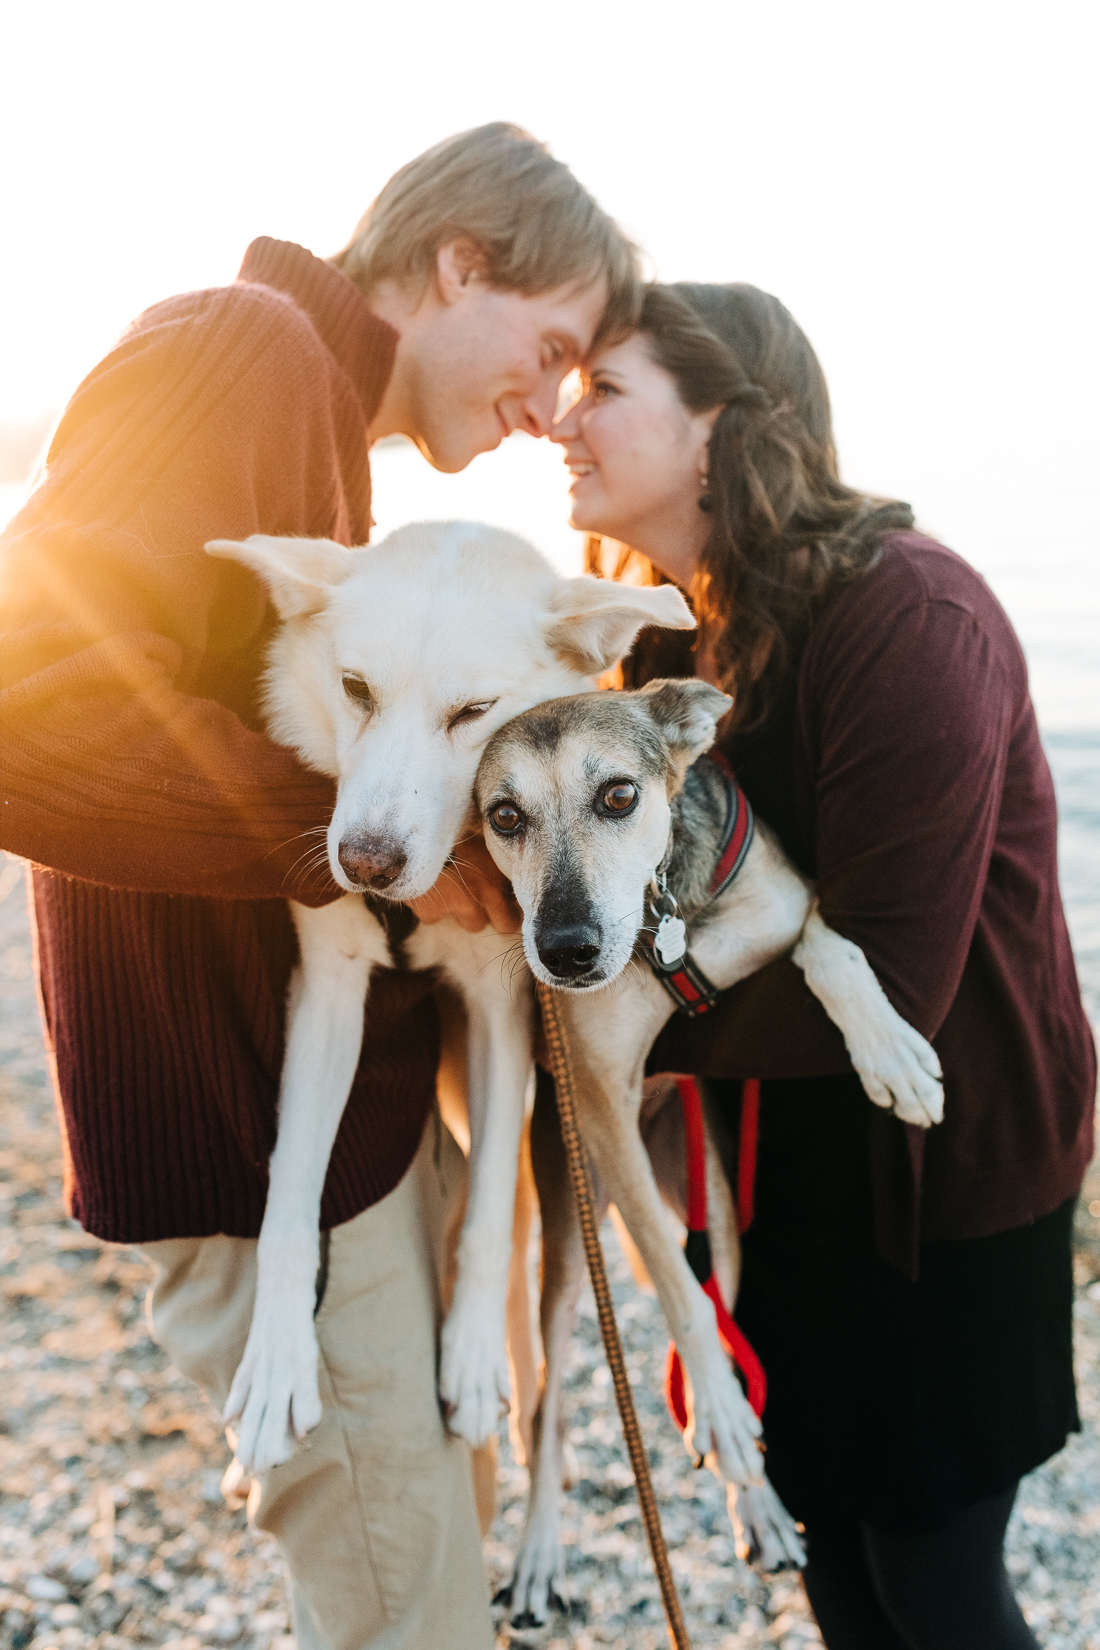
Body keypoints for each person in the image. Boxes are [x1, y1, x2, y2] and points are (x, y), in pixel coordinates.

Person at [0, 123, 639, 1650]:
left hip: (345, 1131)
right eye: (550, 347)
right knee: (405, 1609)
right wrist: (385, 848)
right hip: (249, 1133)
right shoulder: (237, 350)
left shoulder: (320, 439)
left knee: (432, 1556)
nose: (550, 408)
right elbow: (30, 705)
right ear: (453, 262)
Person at [549, 282, 1096, 1648]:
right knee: (832, 1563)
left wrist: (623, 1023)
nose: (563, 415)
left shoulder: (910, 614)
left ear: (719, 417)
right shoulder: (674, 637)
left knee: (935, 1574)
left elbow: (895, 977)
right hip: (785, 1165)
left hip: (946, 1173)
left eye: (605, 385)